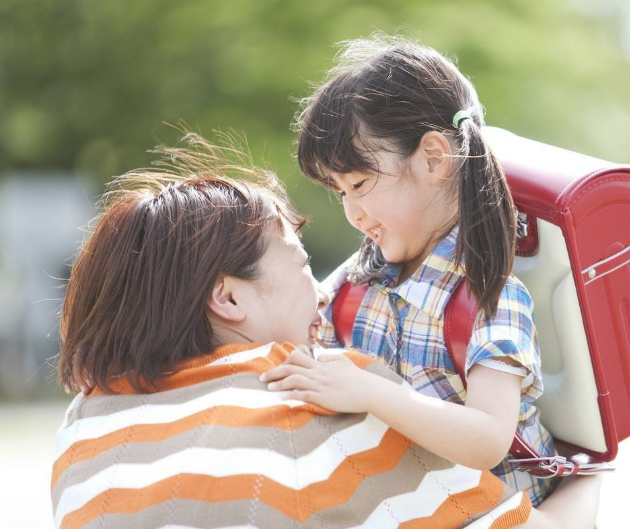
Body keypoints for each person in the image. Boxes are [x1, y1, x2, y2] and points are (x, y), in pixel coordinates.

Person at [51, 133, 536, 529]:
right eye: (303, 266)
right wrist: (577, 482)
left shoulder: (82, 430)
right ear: (229, 299)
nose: (323, 293)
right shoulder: (312, 398)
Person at [261, 35, 601, 526]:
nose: (352, 212)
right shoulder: (351, 288)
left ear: (434, 159)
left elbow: (488, 438)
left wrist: (371, 391)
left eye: (359, 184)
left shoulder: (491, 296)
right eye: (340, 192)